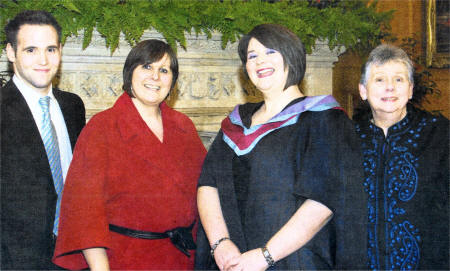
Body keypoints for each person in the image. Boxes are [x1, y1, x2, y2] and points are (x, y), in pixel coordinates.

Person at [194, 24, 367, 270]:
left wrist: (265, 256)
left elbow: (323, 202)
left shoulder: (324, 120)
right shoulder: (235, 124)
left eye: (270, 52)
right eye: (252, 56)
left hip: (294, 260)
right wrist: (220, 244)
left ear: (292, 56)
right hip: (234, 261)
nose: (259, 61)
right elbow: (207, 184)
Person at [52, 39, 206, 270]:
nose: (155, 76)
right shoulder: (102, 127)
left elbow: (207, 188)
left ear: (172, 81)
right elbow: (83, 212)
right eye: (146, 66)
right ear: (129, 72)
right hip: (124, 260)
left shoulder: (184, 126)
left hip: (182, 259)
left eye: (164, 70)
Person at [1, 10, 86, 270]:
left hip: (72, 253)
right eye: (30, 50)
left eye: (50, 49)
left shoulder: (73, 106)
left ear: (60, 50)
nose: (43, 60)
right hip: (15, 260)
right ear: (11, 52)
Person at [353, 44, 449, 270]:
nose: (390, 88)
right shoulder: (347, 139)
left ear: (411, 89)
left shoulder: (440, 134)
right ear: (363, 90)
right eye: (379, 80)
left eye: (399, 80)